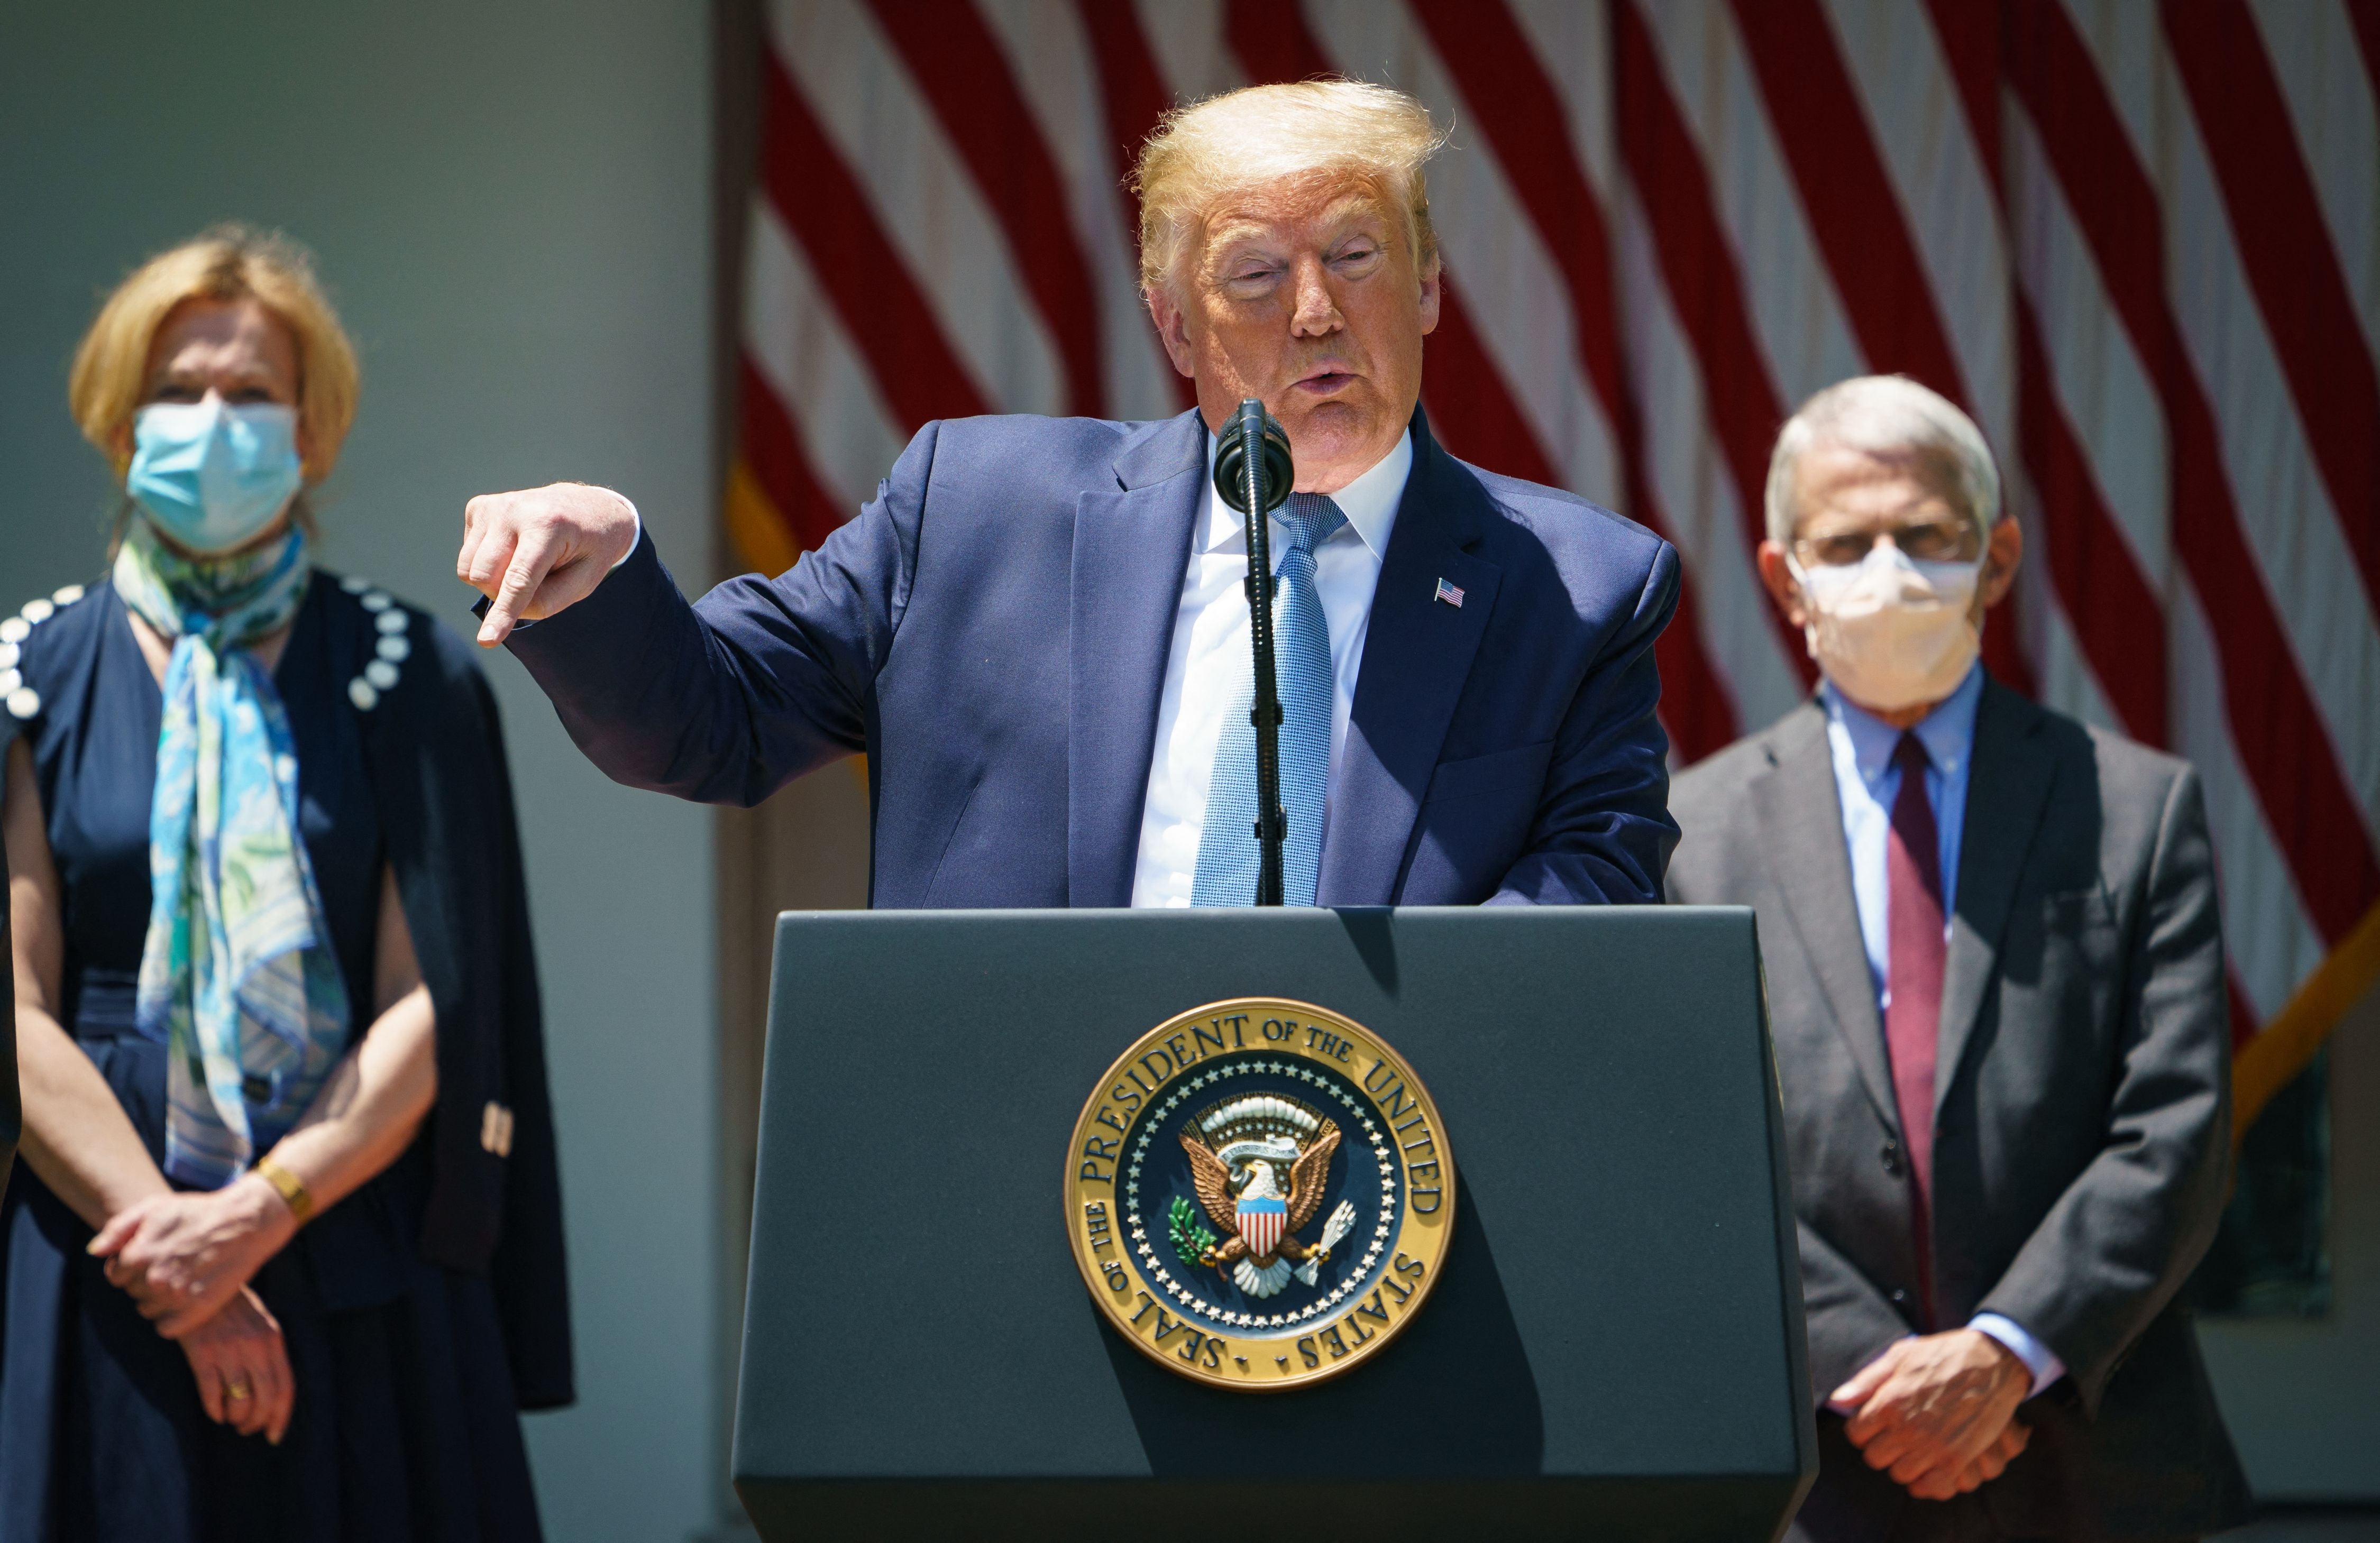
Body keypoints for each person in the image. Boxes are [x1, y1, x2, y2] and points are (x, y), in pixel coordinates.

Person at [456, 82, 1680, 907]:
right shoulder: (977, 513)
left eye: (1356, 257)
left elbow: (1589, 913)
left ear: (1427, 289)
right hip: (1018, 1195)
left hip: (1378, 1218)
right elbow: (707, 724)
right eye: (1255, 274)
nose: (1315, 311)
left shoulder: (1577, 590)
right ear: (1174, 325)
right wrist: (605, 577)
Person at [2, 227, 569, 1541]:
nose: (215, 420)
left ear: (311, 434)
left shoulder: (411, 671)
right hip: (104, 1251)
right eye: (179, 389)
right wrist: (178, 1258)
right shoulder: (28, 675)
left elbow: (439, 1001)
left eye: (252, 395)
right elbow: (14, 1010)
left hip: (345, 1245)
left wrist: (253, 1218)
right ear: (116, 422)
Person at [1667, 376, 2248, 1541]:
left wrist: (2002, 1352)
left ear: (1996, 559)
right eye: (1847, 541)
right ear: (1785, 578)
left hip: (2089, 1460)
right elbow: (1685, 1144)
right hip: (1814, 1464)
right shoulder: (1693, 832)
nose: (1890, 569)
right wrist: (1882, 1372)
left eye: (1928, 536)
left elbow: (2177, 1126)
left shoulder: (2136, 808)